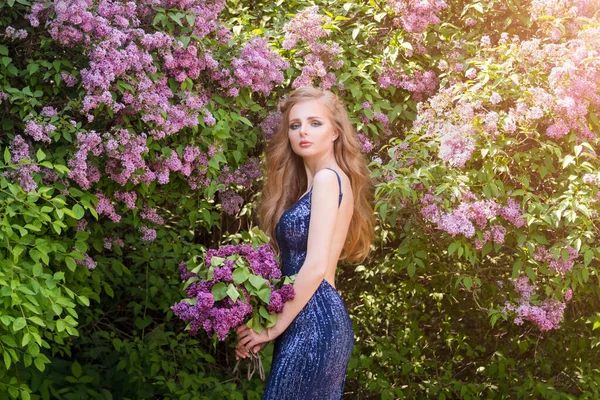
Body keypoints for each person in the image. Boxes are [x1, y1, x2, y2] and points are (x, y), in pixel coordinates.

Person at [235, 86, 375, 399]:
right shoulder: (317, 184)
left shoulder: (328, 179)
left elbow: (314, 267)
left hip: (315, 321)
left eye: (315, 123)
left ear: (335, 132)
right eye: (295, 125)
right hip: (306, 317)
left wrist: (271, 328)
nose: (303, 132)